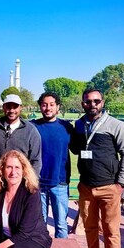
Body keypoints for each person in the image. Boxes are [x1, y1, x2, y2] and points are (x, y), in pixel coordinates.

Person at [74, 88, 124, 248]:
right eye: (88, 101)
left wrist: (121, 183)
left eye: (96, 101)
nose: (92, 105)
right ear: (83, 103)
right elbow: (76, 149)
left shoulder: (116, 125)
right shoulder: (79, 124)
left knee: (111, 231)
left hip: (109, 187)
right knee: (90, 229)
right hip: (86, 187)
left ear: (103, 102)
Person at [31, 92, 76, 238]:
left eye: (51, 105)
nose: (48, 108)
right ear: (40, 107)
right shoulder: (32, 127)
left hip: (60, 182)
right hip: (37, 182)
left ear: (57, 107)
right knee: (39, 224)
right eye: (44, 105)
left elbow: (78, 148)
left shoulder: (66, 127)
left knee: (61, 225)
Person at [0, 94, 42, 175]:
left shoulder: (30, 130)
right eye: (8, 107)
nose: (12, 110)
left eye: (15, 107)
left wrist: (31, 182)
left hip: (21, 179)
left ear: (21, 108)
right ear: (3, 107)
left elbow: (36, 160)